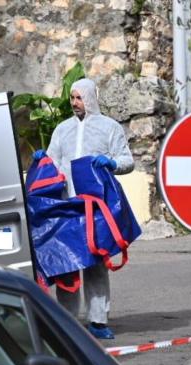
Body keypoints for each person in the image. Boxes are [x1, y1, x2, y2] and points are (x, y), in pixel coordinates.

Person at [35, 78, 133, 339]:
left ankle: (98, 321)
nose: (74, 103)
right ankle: (66, 322)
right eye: (72, 98)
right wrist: (42, 161)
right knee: (66, 263)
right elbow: (52, 161)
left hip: (96, 206)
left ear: (90, 98)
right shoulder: (62, 129)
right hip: (67, 205)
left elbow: (127, 160)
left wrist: (111, 163)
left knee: (95, 264)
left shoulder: (109, 128)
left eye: (79, 98)